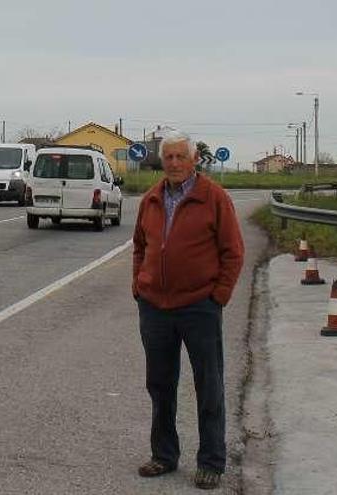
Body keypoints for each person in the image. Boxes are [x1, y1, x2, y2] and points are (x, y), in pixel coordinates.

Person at [132, 132, 244, 490]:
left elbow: (233, 252)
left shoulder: (214, 198)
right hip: (155, 309)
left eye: (181, 156)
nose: (175, 163)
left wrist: (219, 297)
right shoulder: (151, 198)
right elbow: (139, 246)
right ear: (161, 161)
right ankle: (164, 455)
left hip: (200, 307)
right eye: (169, 157)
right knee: (160, 385)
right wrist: (140, 285)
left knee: (208, 385)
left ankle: (211, 461)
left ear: (194, 159)